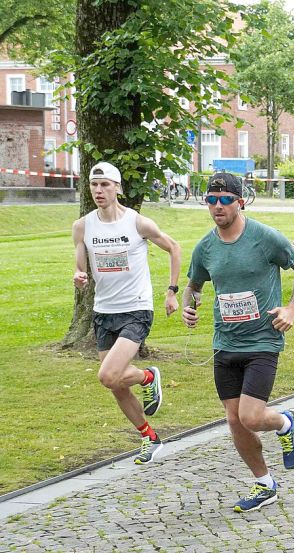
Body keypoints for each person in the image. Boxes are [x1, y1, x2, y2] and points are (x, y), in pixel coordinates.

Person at [182, 173, 294, 513]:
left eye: (225, 199)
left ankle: (285, 422)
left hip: (262, 340)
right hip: (225, 342)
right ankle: (264, 483)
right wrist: (188, 305)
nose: (218, 206)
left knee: (251, 416)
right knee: (235, 420)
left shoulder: (264, 237)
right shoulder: (205, 247)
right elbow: (194, 285)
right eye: (212, 200)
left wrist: (292, 307)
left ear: (241, 201)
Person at [72, 161, 181, 465]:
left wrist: (171, 291)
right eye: (94, 185)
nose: (98, 190)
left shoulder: (137, 223)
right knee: (117, 385)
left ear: (117, 188)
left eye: (105, 184)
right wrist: (79, 276)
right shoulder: (83, 226)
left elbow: (174, 247)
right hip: (103, 312)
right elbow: (80, 268)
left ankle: (147, 377)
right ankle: (149, 436)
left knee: (108, 375)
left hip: (136, 308)